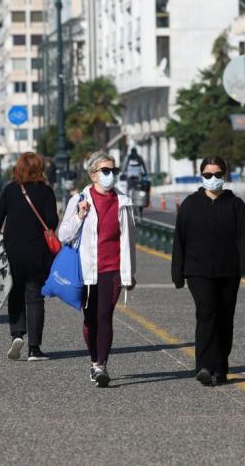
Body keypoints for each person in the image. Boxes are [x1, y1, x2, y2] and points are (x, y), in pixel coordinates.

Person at [171, 155, 245, 386]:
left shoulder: (236, 204)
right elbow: (179, 239)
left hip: (229, 271)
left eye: (218, 174)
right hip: (198, 271)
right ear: (202, 176)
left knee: (225, 318)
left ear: (225, 175)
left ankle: (220, 367)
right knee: (206, 312)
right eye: (208, 175)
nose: (213, 179)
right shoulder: (190, 204)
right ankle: (204, 366)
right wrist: (177, 273)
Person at [58, 151, 137, 388]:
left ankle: (101, 365)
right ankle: (93, 361)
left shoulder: (124, 202)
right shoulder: (80, 199)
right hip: (85, 270)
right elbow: (63, 235)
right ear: (93, 175)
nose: (110, 175)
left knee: (105, 316)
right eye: (105, 171)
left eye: (113, 171)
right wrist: (80, 216)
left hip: (112, 269)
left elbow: (129, 240)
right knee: (90, 319)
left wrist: (129, 272)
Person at [0, 152, 58, 362]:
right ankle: (34, 349)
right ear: (40, 169)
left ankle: (17, 334)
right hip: (37, 252)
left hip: (12, 251)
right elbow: (52, 221)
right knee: (35, 296)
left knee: (15, 292)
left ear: (18, 169)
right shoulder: (46, 192)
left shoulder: (10, 190)